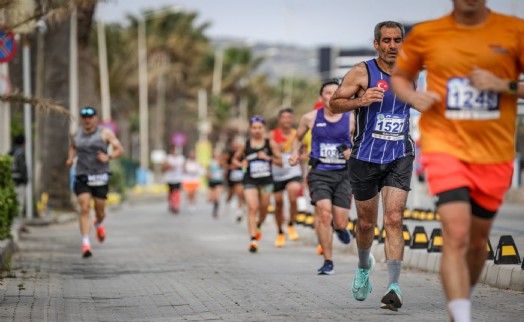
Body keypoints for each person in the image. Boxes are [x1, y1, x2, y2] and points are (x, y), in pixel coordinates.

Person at [391, 2, 524, 321]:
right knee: (456, 232)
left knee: (478, 242)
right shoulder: (427, 34)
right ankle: (461, 314)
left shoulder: (514, 31)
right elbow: (400, 77)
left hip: (493, 153)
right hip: (444, 146)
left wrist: (502, 85)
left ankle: (462, 297)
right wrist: (413, 97)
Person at [330, 21, 414, 311]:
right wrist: (361, 100)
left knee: (393, 218)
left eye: (397, 40)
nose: (392, 45)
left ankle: (393, 286)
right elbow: (334, 103)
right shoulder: (362, 71)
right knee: (366, 223)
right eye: (386, 40)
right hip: (365, 157)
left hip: (399, 154)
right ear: (376, 44)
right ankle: (364, 266)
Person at [289, 78, 354, 275]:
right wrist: (294, 152)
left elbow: (361, 142)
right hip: (319, 173)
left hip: (344, 174)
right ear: (321, 97)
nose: (332, 96)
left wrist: (352, 153)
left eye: (336, 92)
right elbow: (297, 138)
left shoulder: (351, 119)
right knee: (324, 214)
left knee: (340, 221)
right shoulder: (310, 118)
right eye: (328, 93)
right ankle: (328, 260)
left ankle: (341, 228)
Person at [66, 106, 124, 258]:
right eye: (84, 117)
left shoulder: (105, 133)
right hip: (82, 175)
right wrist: (71, 158)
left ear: (96, 118)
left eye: (90, 117)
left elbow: (120, 149)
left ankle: (98, 223)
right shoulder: (75, 133)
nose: (87, 120)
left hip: (100, 176)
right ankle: (86, 243)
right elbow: (73, 147)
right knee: (84, 208)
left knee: (100, 211)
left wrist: (108, 157)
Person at [232, 116, 282, 253]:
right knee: (252, 208)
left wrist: (268, 158)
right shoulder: (246, 145)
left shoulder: (270, 143)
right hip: (250, 180)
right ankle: (253, 240)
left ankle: (259, 224)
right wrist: (241, 163)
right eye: (254, 128)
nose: (257, 130)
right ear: (250, 129)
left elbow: (280, 162)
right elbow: (234, 160)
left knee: (264, 209)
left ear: (264, 128)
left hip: (266, 180)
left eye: (260, 127)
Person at [270, 108, 303, 247]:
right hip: (277, 173)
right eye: (284, 117)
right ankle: (280, 232)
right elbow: (266, 151)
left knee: (293, 195)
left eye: (289, 117)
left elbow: (307, 150)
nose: (287, 120)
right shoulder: (272, 135)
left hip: (293, 171)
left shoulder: (297, 134)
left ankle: (291, 224)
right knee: (278, 202)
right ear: (279, 120)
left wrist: (301, 157)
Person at [224, 137, 245, 222]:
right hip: (231, 175)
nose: (236, 145)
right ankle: (227, 204)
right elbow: (223, 162)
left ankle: (239, 212)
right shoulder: (230, 153)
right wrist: (229, 167)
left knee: (240, 193)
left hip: (240, 175)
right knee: (230, 193)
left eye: (238, 144)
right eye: (235, 143)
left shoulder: (243, 153)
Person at [162, 145, 185, 214]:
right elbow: (163, 168)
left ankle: (176, 206)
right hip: (169, 179)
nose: (175, 152)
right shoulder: (168, 158)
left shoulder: (181, 158)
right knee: (170, 193)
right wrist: (169, 166)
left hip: (178, 179)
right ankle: (171, 203)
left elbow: (184, 167)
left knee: (176, 192)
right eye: (173, 150)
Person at [9, 135, 28, 217]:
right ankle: (17, 226)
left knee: (12, 204)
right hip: (19, 182)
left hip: (10, 181)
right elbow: (22, 168)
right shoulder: (20, 153)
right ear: (23, 143)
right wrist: (26, 179)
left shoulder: (10, 152)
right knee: (19, 205)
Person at [207, 149, 224, 218]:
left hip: (219, 181)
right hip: (212, 181)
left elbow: (225, 170)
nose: (217, 155)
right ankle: (214, 206)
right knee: (212, 198)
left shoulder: (222, 162)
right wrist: (209, 175)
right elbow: (207, 171)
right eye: (215, 153)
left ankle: (215, 211)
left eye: (218, 154)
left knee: (217, 197)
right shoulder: (211, 162)